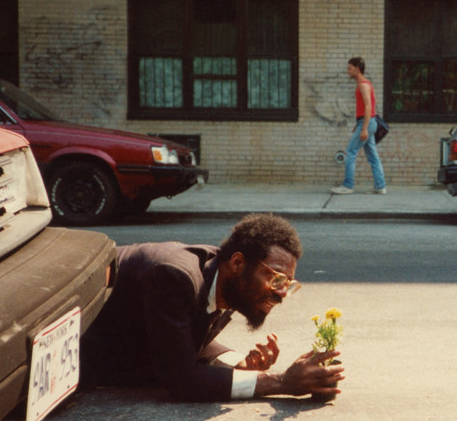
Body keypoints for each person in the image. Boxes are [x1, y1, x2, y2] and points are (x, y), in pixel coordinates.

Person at [80, 213, 344, 402]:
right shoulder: (176, 277)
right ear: (238, 262)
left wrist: (237, 363)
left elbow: (181, 335)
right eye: (275, 278)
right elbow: (181, 380)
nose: (282, 293)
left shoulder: (223, 277)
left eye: (288, 283)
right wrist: (279, 382)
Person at [330, 56, 387, 195]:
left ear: (357, 69)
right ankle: (380, 187)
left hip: (368, 123)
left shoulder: (363, 85)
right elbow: (365, 109)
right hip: (365, 122)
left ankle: (347, 186)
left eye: (350, 68)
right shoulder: (362, 84)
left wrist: (364, 128)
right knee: (373, 157)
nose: (347, 71)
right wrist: (359, 124)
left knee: (350, 152)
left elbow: (368, 107)